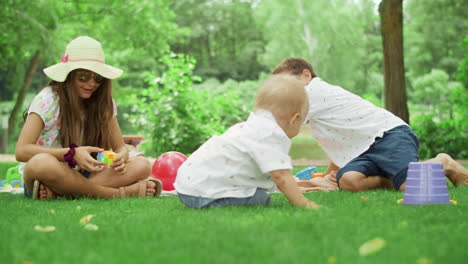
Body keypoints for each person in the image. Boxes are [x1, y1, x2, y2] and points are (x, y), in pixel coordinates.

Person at [272, 58, 468, 192]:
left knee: (411, 187)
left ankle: (444, 162)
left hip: (389, 136)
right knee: (348, 181)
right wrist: (328, 174)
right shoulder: (315, 105)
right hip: (366, 150)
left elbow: (282, 128)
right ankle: (394, 177)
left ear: (306, 76)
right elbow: (341, 141)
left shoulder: (312, 91)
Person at [15, 36, 161, 200]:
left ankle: (60, 193)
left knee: (141, 165)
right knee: (40, 163)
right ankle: (119, 193)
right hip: (49, 174)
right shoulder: (48, 100)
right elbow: (21, 151)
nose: (91, 83)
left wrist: (122, 156)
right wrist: (71, 154)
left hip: (87, 174)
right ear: (69, 75)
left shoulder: (103, 103)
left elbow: (120, 147)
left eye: (97, 77)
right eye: (83, 76)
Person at [174, 74, 319, 209]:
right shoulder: (271, 136)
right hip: (204, 194)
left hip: (187, 187)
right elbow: (281, 177)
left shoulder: (249, 128)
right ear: (294, 119)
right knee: (259, 197)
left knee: (255, 189)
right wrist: (303, 202)